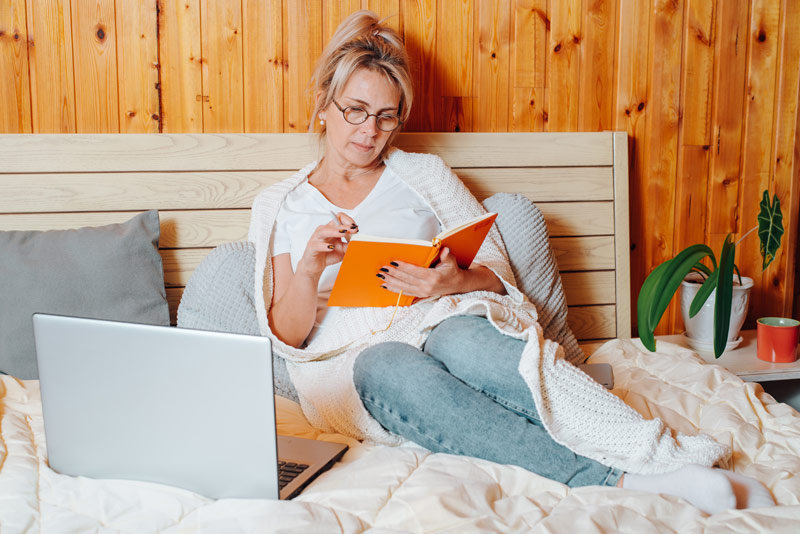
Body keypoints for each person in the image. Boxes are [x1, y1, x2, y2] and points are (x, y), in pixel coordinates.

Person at [248, 10, 775, 515]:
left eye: (387, 117)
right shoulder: (282, 203)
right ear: (323, 103)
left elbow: (497, 272)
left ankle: (664, 453)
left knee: (465, 341)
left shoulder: (423, 174)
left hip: (435, 317)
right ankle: (625, 481)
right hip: (351, 358)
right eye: (355, 110)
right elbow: (285, 336)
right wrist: (312, 265)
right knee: (385, 365)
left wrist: (452, 280)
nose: (370, 131)